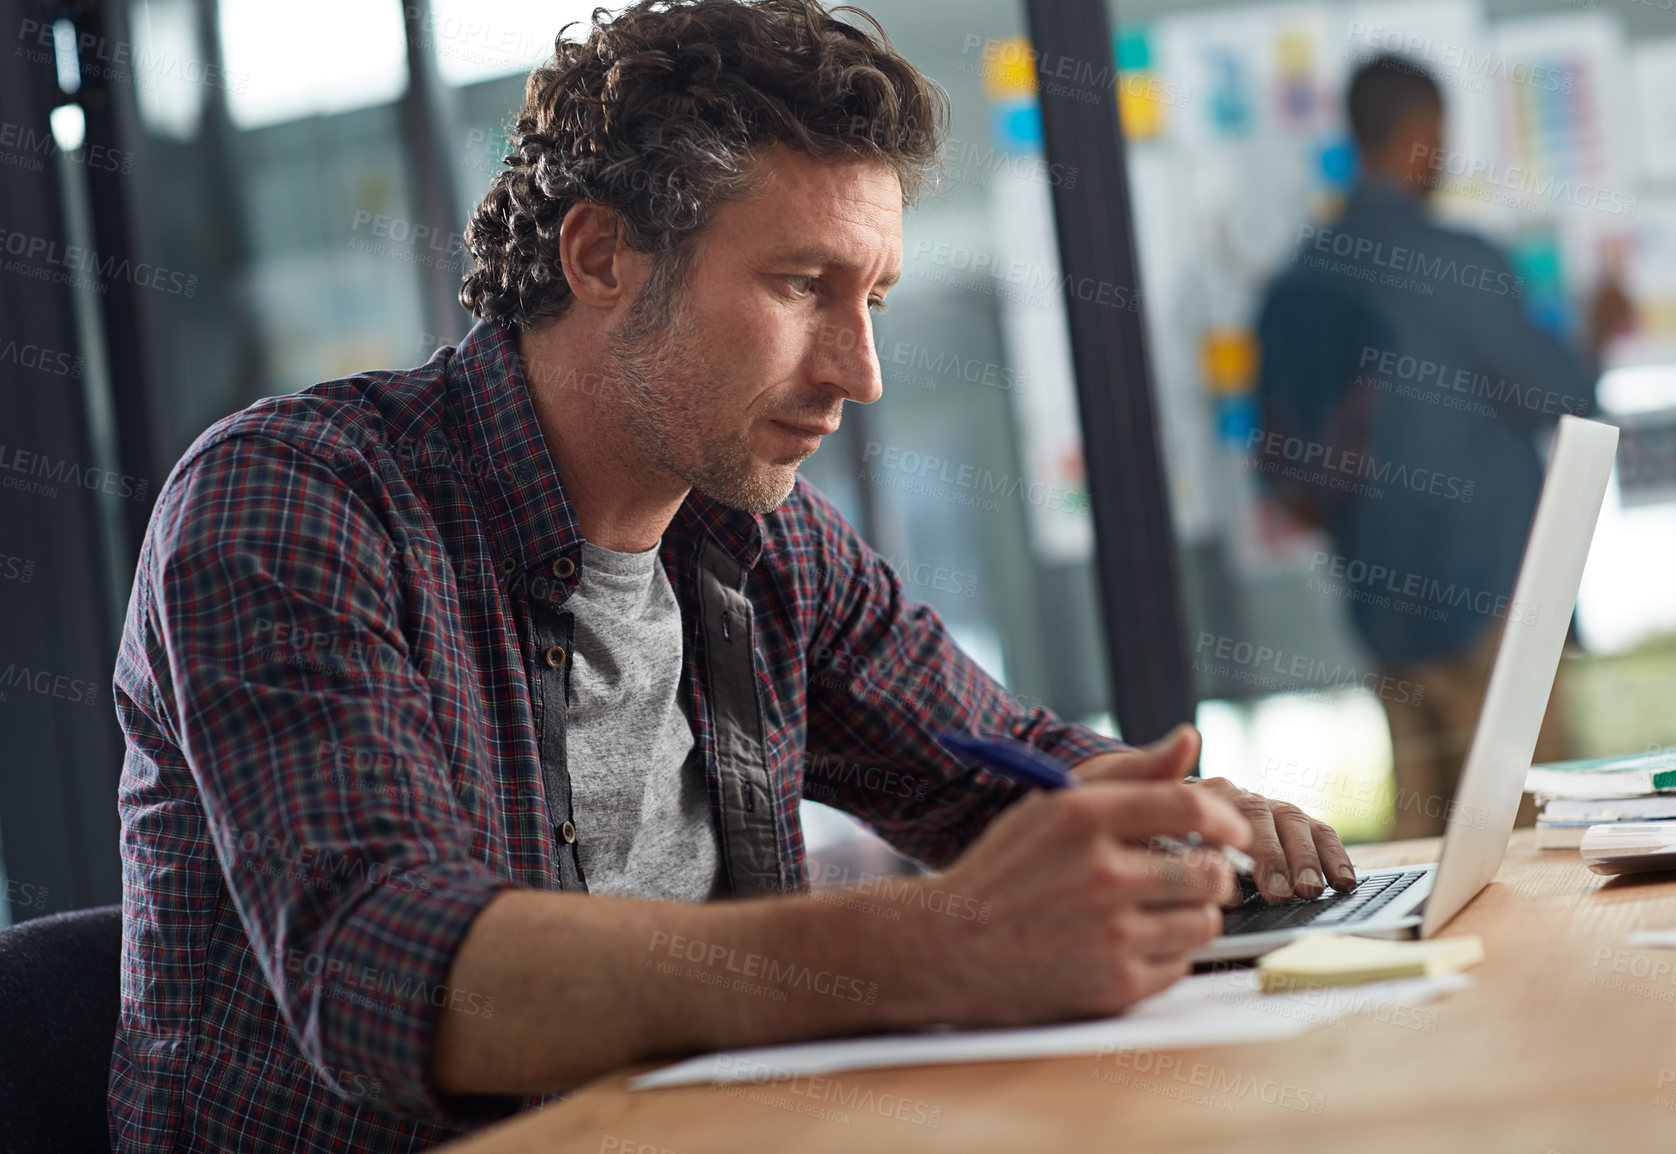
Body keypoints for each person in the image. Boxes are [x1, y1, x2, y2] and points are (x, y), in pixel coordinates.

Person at [109, 3, 1356, 1150]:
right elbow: (389, 971)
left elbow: (996, 763)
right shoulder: (293, 501)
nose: (859, 372)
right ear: (600, 257)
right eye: (801, 284)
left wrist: (1181, 822)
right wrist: (934, 946)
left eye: (871, 296)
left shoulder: (763, 540)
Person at [1254, 54, 1631, 839]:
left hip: (1383, 613)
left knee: (1424, 856)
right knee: (1529, 849)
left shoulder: (1293, 284)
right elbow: (1564, 397)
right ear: (1424, 135)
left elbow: (1283, 472)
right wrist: (1597, 330)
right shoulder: (1456, 262)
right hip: (1496, 605)